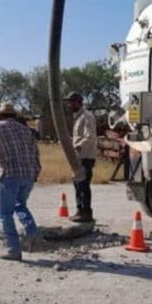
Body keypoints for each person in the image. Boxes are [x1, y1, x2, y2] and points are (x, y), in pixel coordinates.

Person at [0, 103, 41, 261]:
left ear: (0, 115)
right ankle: (31, 230)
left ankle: (13, 250)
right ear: (14, 115)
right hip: (28, 174)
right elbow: (36, 153)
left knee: (5, 213)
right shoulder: (26, 130)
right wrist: (36, 170)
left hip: (9, 173)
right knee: (20, 205)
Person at [64, 92, 97, 223]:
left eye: (72, 102)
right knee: (78, 185)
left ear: (79, 102)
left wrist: (77, 146)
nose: (69, 105)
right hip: (78, 157)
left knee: (83, 185)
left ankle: (86, 212)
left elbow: (90, 136)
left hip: (85, 157)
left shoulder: (86, 116)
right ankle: (80, 210)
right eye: (68, 102)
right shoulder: (78, 118)